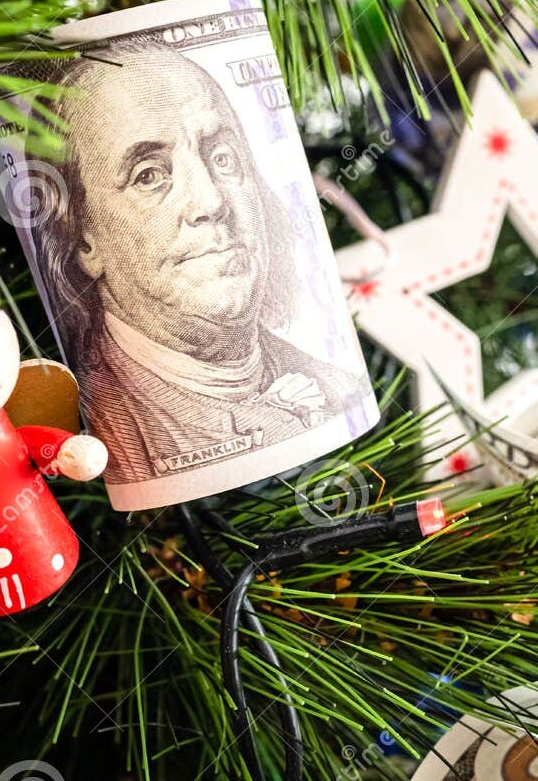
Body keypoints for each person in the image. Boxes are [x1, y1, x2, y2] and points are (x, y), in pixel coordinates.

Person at [29, 38, 357, 485]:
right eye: (149, 175)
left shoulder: (338, 386)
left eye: (223, 158)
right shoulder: (101, 440)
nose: (211, 199)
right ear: (85, 240)